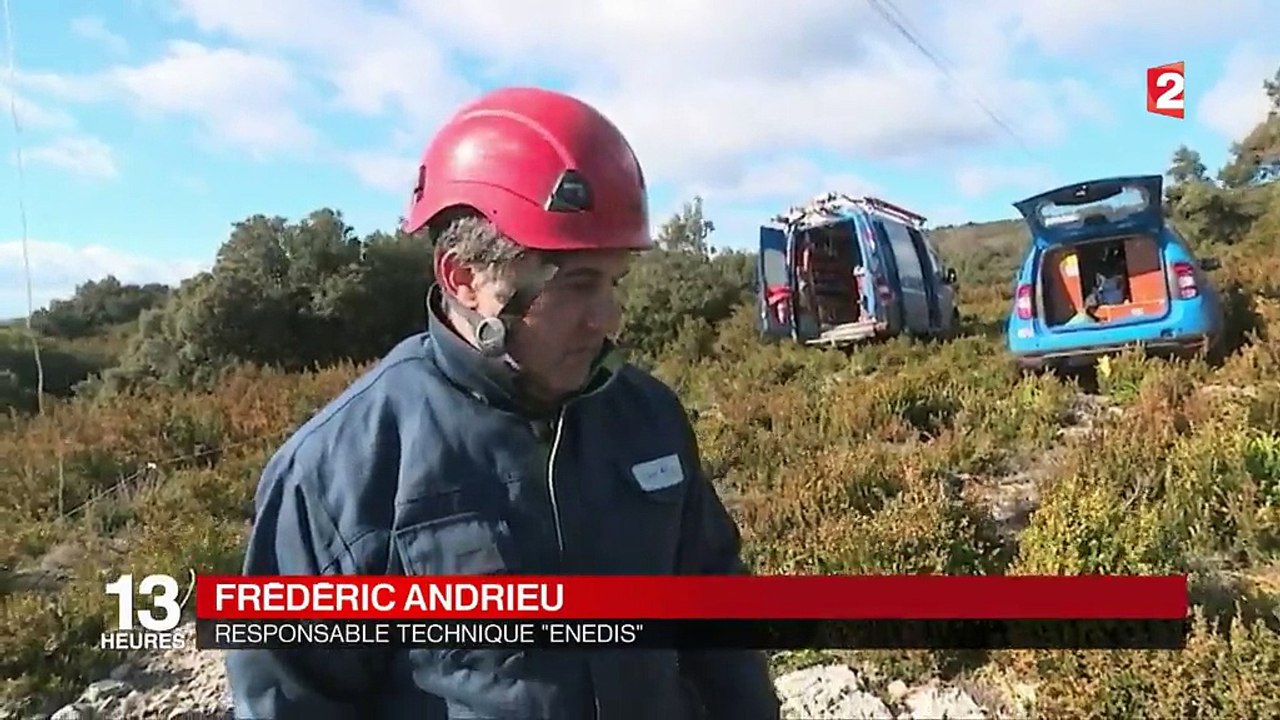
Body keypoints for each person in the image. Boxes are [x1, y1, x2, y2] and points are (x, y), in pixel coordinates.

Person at [224, 86, 781, 720]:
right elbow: (290, 697)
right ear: (464, 278)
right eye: (574, 283)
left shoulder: (648, 416)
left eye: (613, 281)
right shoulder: (344, 466)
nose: (606, 317)